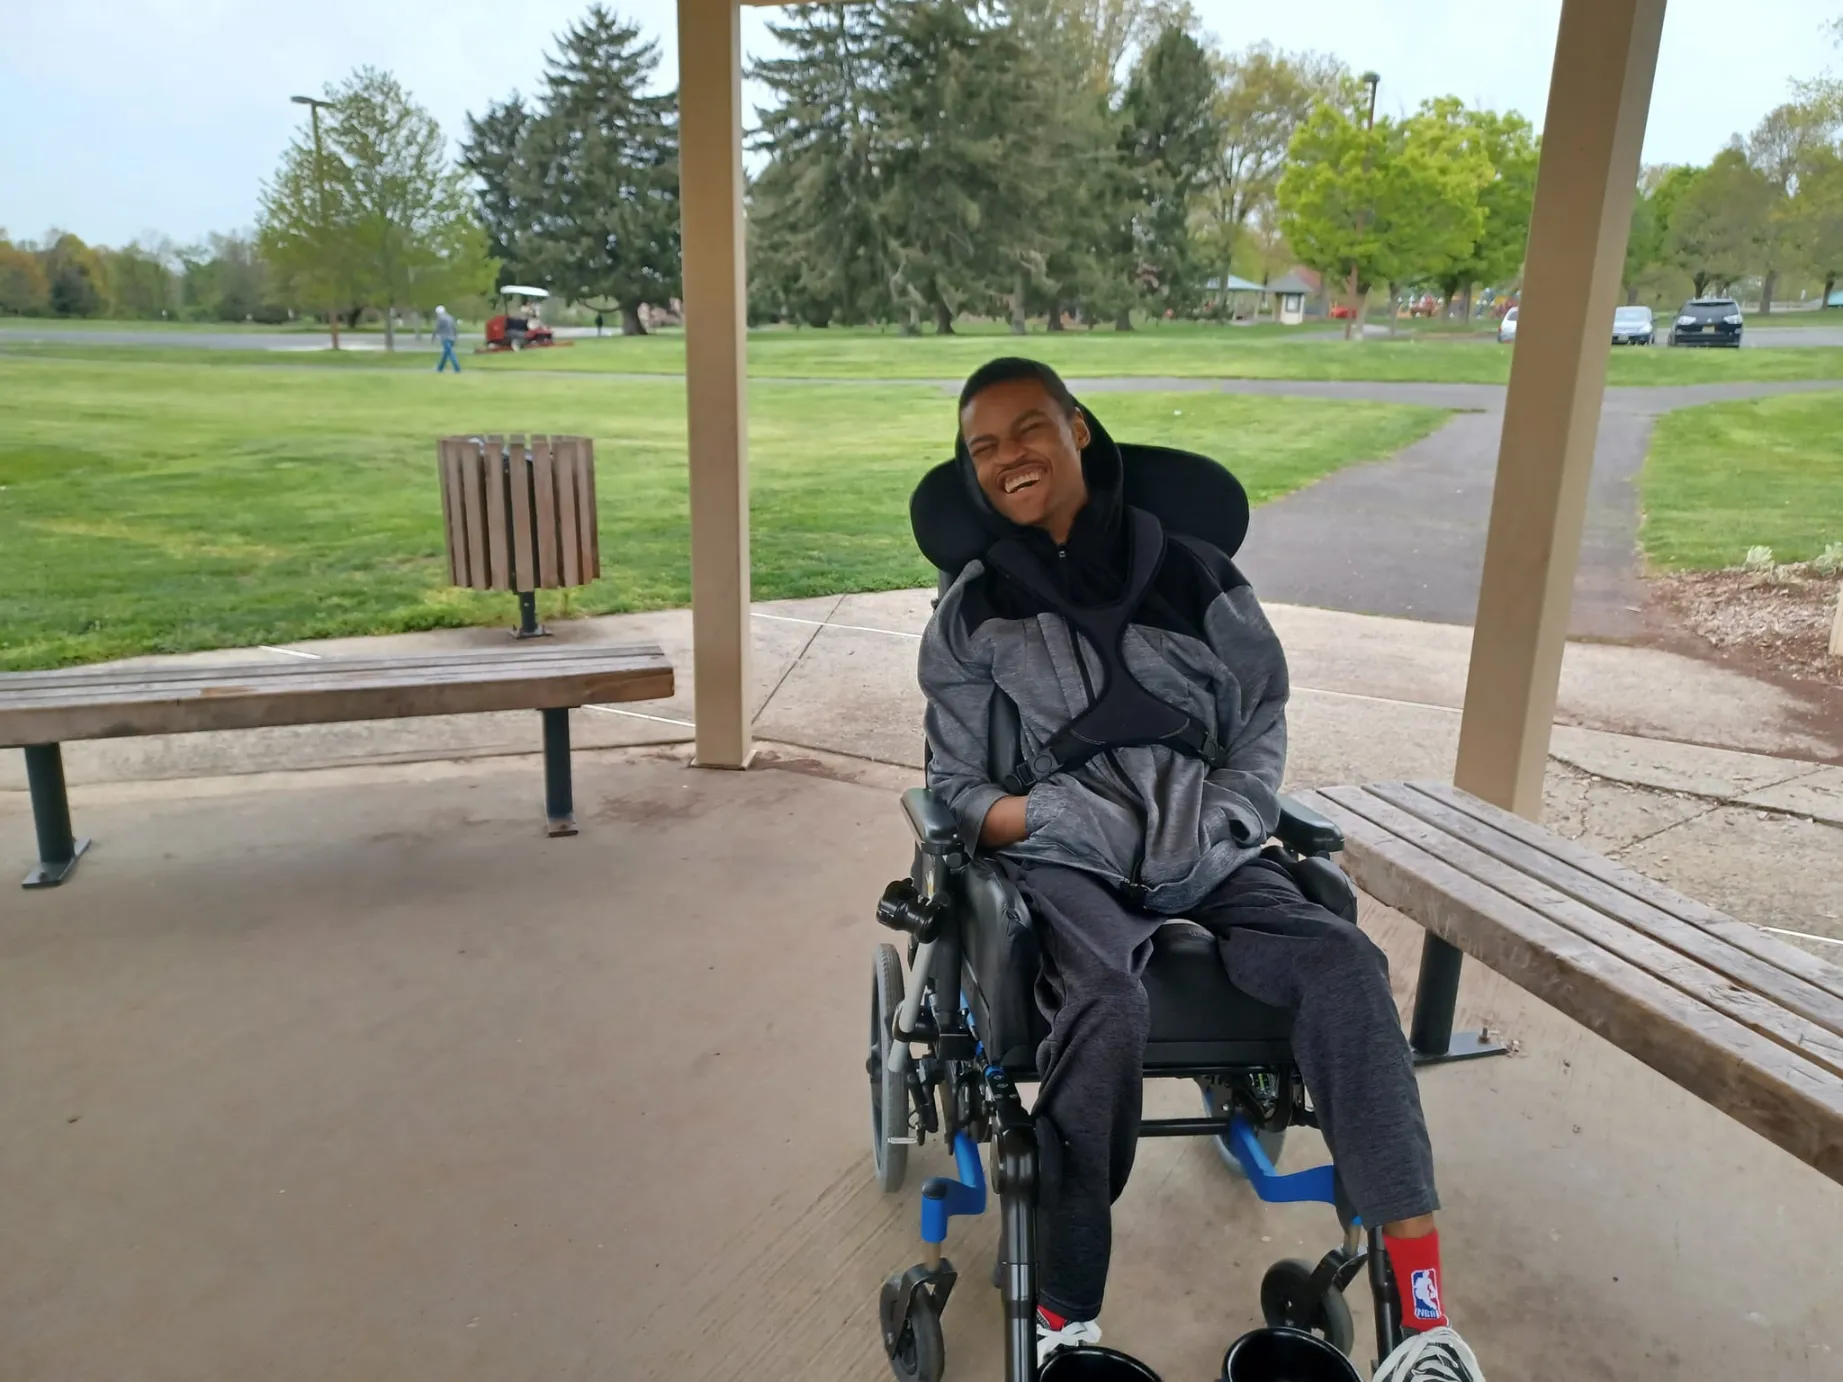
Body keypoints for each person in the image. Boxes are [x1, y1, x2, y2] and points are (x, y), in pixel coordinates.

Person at [918, 358, 1486, 1382]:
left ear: (1078, 428)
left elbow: (1262, 713)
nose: (1008, 457)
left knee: (1344, 964)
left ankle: (1426, 1320)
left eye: (1027, 428)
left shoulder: (1195, 573)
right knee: (1105, 995)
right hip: (1066, 860)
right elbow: (952, 776)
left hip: (1208, 843)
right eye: (983, 446)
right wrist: (1036, 815)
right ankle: (1063, 1317)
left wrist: (1231, 812)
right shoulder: (971, 609)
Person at [434, 305, 461, 373]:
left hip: (445, 338)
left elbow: (437, 328)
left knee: (450, 354)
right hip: (452, 338)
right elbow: (455, 328)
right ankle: (440, 368)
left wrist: (433, 337)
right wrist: (456, 337)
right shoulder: (450, 317)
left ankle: (457, 368)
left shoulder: (440, 318)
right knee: (445, 354)